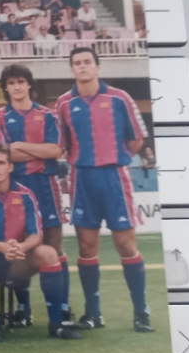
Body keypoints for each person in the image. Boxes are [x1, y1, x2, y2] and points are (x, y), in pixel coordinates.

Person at [54, 48, 152, 333]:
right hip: (82, 178)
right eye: (77, 63)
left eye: (87, 62)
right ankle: (93, 314)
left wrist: (115, 158)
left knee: (126, 245)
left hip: (114, 177)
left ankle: (141, 312)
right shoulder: (63, 103)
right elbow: (62, 143)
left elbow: (136, 139)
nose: (82, 66)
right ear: (72, 69)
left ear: (97, 67)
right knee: (86, 246)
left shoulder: (120, 98)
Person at [0, 143, 79, 342]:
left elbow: (36, 235)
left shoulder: (26, 194)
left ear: (10, 166)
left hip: (18, 260)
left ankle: (56, 324)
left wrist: (22, 247)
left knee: (48, 252)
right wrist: (0, 247)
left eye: (1, 163)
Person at [0, 64, 68, 328]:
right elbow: (2, 155)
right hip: (14, 187)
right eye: (11, 83)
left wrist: (20, 146)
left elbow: (55, 150)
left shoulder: (48, 115)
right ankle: (23, 308)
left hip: (45, 185)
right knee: (18, 245)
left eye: (21, 81)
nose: (17, 87)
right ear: (6, 87)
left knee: (54, 246)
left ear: (29, 84)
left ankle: (63, 307)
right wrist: (38, 151)